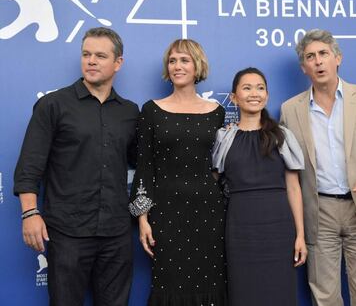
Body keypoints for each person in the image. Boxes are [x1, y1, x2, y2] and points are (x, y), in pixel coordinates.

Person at [14, 27, 139, 306]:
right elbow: (30, 165)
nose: (91, 61)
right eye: (86, 54)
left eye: (100, 55)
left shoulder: (130, 112)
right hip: (67, 232)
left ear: (118, 63)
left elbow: (144, 163)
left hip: (116, 233)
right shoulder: (53, 105)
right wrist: (30, 213)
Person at [280, 29, 356, 305]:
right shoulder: (290, 109)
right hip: (319, 212)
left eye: (324, 54)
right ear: (304, 67)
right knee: (323, 296)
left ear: (338, 58)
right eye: (311, 57)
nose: (318, 61)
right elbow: (288, 165)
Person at [129, 39, 227, 305]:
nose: (177, 66)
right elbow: (144, 167)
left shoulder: (217, 113)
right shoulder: (151, 110)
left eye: (184, 60)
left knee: (210, 283)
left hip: (209, 212)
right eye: (172, 61)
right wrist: (142, 219)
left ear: (197, 66)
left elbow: (221, 166)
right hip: (166, 212)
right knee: (168, 283)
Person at [212, 67, 307, 306]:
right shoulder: (224, 137)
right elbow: (213, 182)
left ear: (267, 95)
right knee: (243, 293)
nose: (254, 93)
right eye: (247, 88)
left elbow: (294, 188)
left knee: (279, 292)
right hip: (239, 228)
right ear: (234, 97)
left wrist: (300, 235)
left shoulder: (282, 135)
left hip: (278, 228)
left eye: (260, 87)